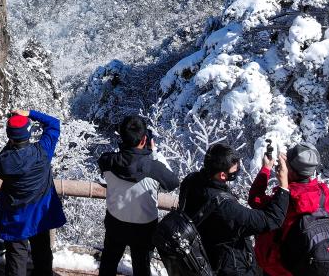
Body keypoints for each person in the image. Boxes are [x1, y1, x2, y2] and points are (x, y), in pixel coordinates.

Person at [177, 143, 289, 276]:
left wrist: (266, 169)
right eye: (235, 171)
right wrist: (283, 185)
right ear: (222, 175)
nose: (237, 172)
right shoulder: (225, 208)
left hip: (206, 255)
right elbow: (272, 219)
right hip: (230, 268)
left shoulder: (191, 180)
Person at [98, 116, 181, 276]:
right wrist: (154, 154)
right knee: (142, 268)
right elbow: (173, 182)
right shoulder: (155, 168)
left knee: (108, 262)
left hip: (115, 222)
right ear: (144, 140)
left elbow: (114, 162)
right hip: (145, 227)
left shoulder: (108, 161)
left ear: (121, 137)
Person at [0, 108, 66, 276]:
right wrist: (30, 113)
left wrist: (13, 136)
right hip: (40, 214)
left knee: (16, 257)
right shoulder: (43, 152)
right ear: (29, 132)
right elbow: (54, 123)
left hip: (15, 218)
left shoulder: (3, 163)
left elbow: (4, 155)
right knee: (42, 252)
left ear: (10, 137)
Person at [249, 142, 329, 276]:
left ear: (289, 170)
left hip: (277, 268)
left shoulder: (285, 198)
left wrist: (266, 169)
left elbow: (255, 199)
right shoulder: (323, 192)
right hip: (302, 266)